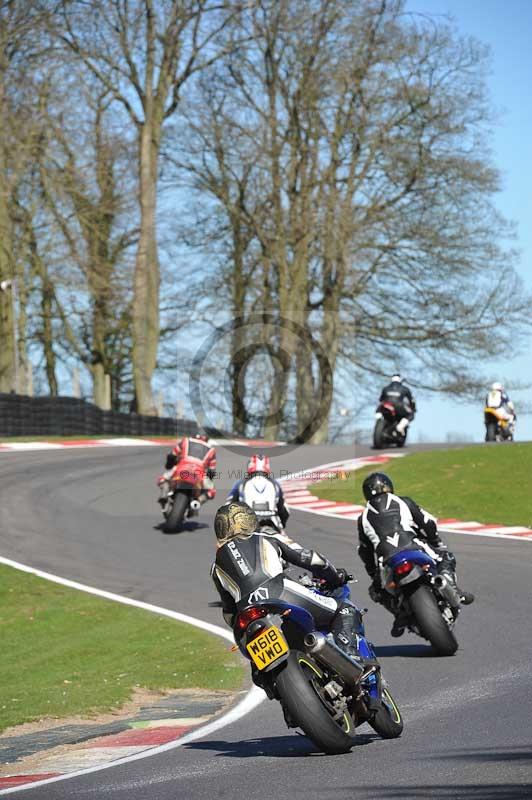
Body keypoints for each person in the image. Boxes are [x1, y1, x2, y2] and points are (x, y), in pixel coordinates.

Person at [211, 501, 368, 668]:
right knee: (343, 609)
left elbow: (229, 612)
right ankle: (351, 657)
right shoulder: (265, 537)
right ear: (248, 521)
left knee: (256, 667)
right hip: (281, 591)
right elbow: (312, 559)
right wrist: (335, 576)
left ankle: (268, 678)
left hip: (247, 613)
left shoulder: (215, 567)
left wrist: (240, 627)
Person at [357, 472, 474, 638]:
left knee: (376, 591)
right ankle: (454, 590)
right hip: (412, 546)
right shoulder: (403, 501)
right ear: (388, 486)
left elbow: (365, 551)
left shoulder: (362, 518)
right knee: (445, 557)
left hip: (387, 559)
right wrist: (435, 541)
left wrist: (373, 575)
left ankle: (398, 614)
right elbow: (427, 522)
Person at [225, 454, 289, 531]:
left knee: (226, 540)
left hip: (246, 525)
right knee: (286, 540)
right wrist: (282, 525)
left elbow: (229, 506)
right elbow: (284, 510)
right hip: (272, 524)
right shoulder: (275, 484)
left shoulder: (240, 483)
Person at [158, 434, 217, 510]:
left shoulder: (186, 441)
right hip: (199, 472)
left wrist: (169, 465)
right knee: (212, 491)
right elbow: (212, 470)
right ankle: (198, 501)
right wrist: (209, 479)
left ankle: (164, 493)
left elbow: (172, 455)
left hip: (182, 468)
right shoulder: (211, 450)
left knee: (163, 479)